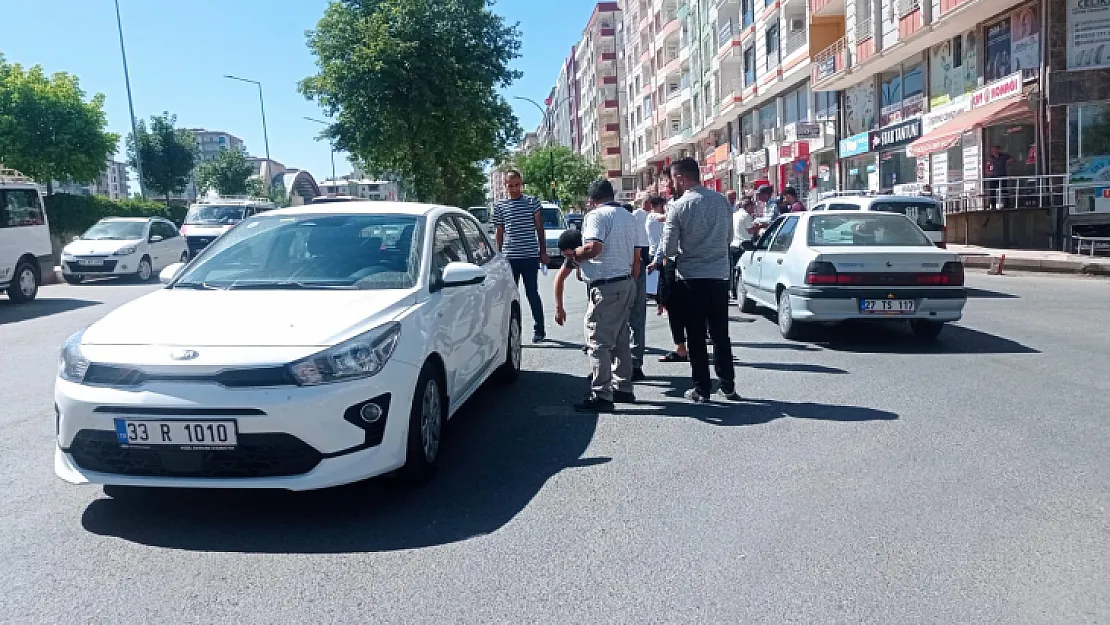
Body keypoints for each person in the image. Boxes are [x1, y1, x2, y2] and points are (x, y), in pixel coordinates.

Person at [659, 157, 739, 403]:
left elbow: (669, 248)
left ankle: (702, 389)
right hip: (718, 276)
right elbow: (729, 237)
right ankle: (728, 385)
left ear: (681, 178)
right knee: (720, 334)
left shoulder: (678, 207)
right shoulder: (722, 201)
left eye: (673, 179)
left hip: (691, 279)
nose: (672, 183)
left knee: (695, 335)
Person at [565, 179, 640, 413]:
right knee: (620, 339)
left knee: (597, 341)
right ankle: (624, 387)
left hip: (606, 285)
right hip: (626, 282)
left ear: (592, 199)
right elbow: (637, 253)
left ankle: (602, 394)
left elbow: (593, 248)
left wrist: (574, 254)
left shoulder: (596, 216)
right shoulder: (629, 216)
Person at [494, 170, 550, 343]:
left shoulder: (532, 202)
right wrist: (498, 256)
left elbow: (539, 228)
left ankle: (539, 329)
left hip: (530, 255)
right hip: (510, 257)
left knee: (532, 293)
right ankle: (512, 332)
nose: (514, 189)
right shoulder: (500, 206)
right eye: (510, 185)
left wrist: (543, 251)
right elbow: (499, 232)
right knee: (510, 296)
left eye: (517, 185)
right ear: (505, 186)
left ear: (521, 183)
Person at [648, 167, 689, 364]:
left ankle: (683, 348)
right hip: (689, 264)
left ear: (679, 179)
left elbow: (668, 240)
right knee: (678, 306)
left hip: (676, 263)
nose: (667, 185)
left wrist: (660, 259)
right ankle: (682, 347)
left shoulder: (676, 206)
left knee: (676, 306)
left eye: (668, 180)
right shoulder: (706, 200)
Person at [628, 197, 652, 381]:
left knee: (617, 321)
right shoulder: (637, 222)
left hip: (625, 273)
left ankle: (616, 365)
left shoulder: (636, 220)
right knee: (637, 320)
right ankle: (635, 364)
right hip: (637, 269)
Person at [730, 198, 757, 299]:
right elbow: (750, 231)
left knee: (733, 269)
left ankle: (732, 291)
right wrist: (757, 227)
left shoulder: (734, 215)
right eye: (752, 206)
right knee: (743, 270)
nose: (753, 209)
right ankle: (741, 290)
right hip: (743, 244)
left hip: (733, 244)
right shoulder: (746, 216)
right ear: (748, 206)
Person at [645, 196, 666, 299]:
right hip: (655, 252)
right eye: (662, 206)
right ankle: (660, 302)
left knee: (661, 280)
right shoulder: (652, 216)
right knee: (660, 280)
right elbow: (664, 217)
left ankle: (659, 300)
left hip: (658, 251)